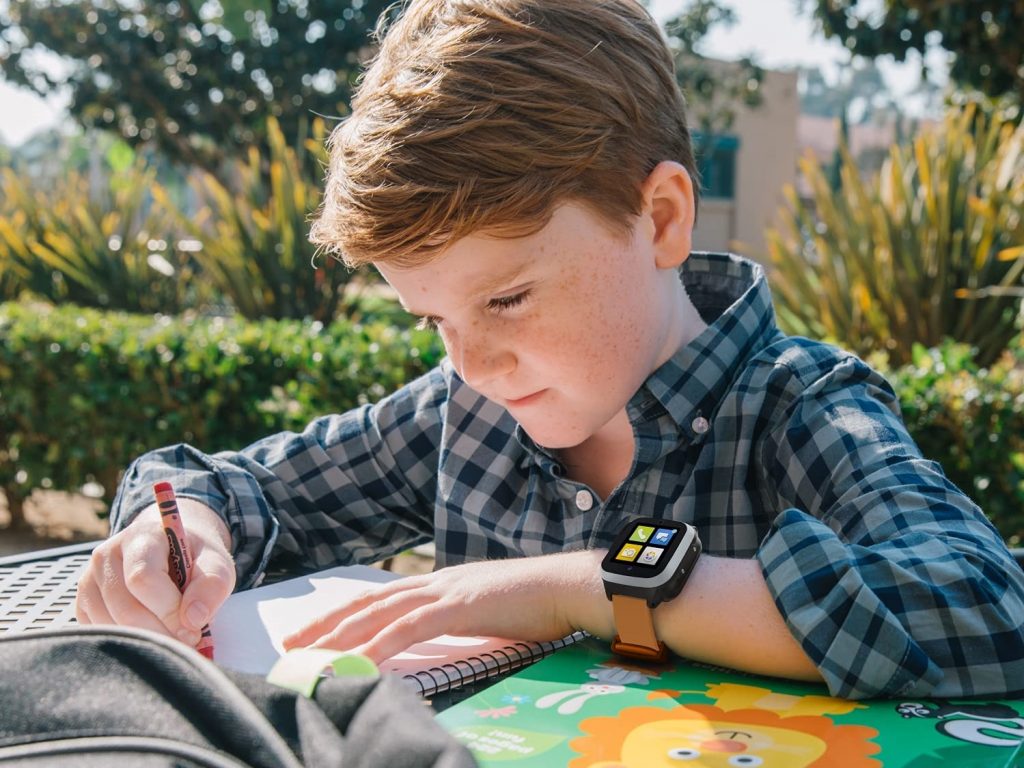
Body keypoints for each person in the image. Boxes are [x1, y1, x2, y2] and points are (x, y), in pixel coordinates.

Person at [76, 0, 1024, 700]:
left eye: (509, 297)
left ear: (659, 217)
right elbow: (226, 484)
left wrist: (575, 589)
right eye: (434, 321)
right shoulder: (466, 413)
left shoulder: (799, 405)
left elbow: (981, 606)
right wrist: (182, 534)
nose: (473, 365)